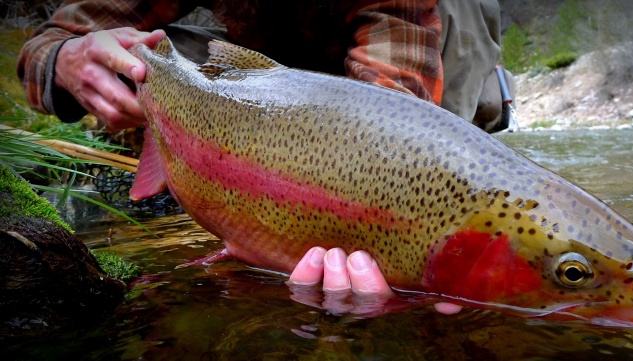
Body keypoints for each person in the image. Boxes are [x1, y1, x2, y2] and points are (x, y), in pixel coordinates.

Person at [17, 0, 502, 315]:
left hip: (374, 86)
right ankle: (183, 148)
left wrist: (370, 217)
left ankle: (490, 109)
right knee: (162, 52)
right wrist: (64, 59)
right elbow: (46, 44)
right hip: (242, 80)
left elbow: (395, 107)